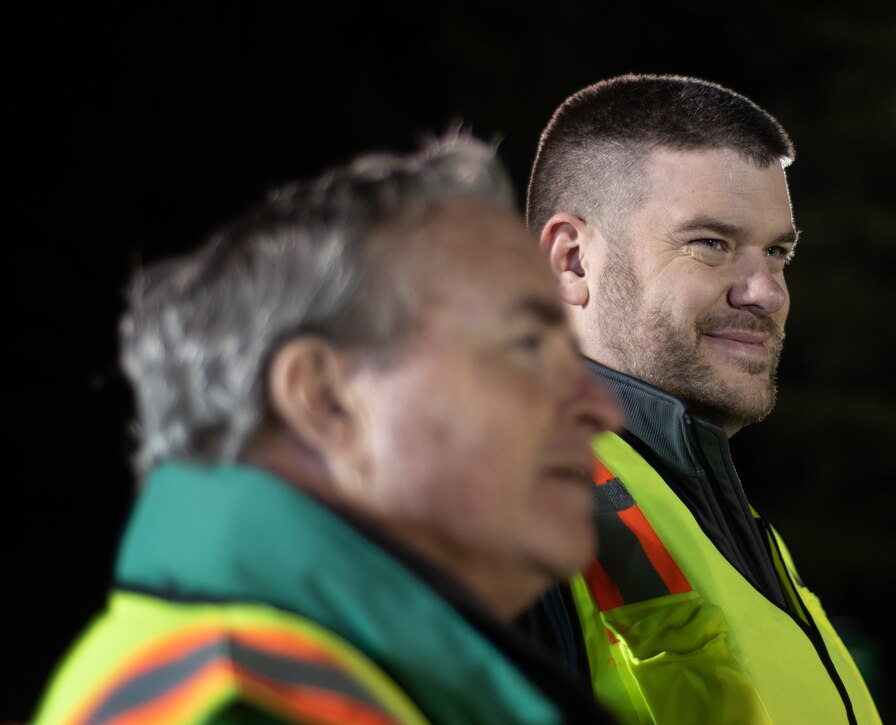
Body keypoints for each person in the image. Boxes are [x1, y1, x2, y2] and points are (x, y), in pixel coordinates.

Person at [34, 136, 623, 724]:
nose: (601, 409)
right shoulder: (232, 704)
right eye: (524, 347)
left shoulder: (343, 680)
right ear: (325, 400)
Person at [522, 74, 882, 724]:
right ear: (571, 261)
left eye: (777, 252)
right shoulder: (508, 501)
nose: (766, 292)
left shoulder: (706, 509)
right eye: (712, 244)